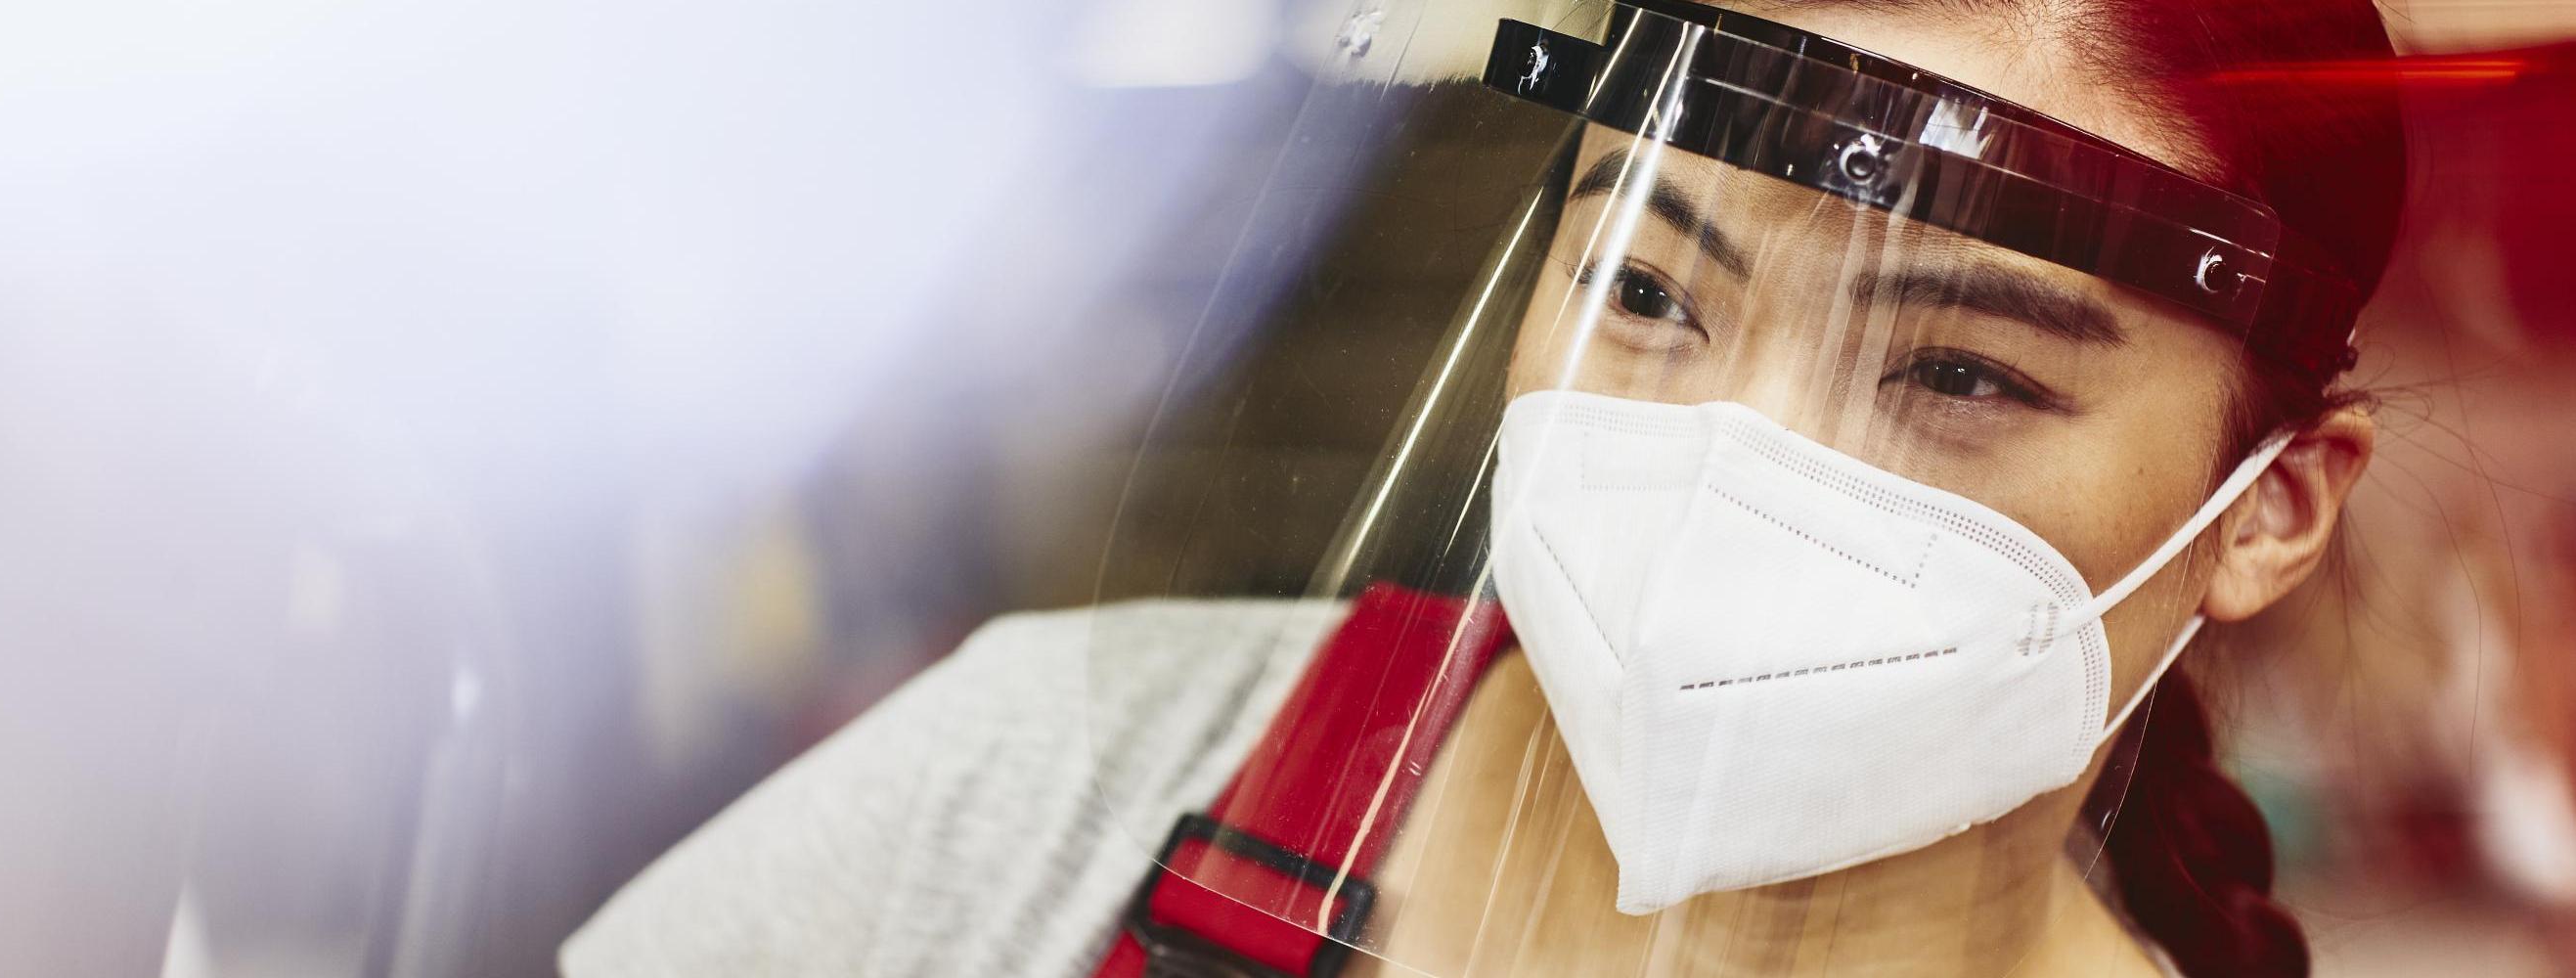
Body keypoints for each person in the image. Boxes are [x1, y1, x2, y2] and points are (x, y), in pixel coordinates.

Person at [560, 0, 2408, 975]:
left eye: (1958, 374)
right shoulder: (1036, 793)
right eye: (1651, 292)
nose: (1730, 458)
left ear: (2268, 508)